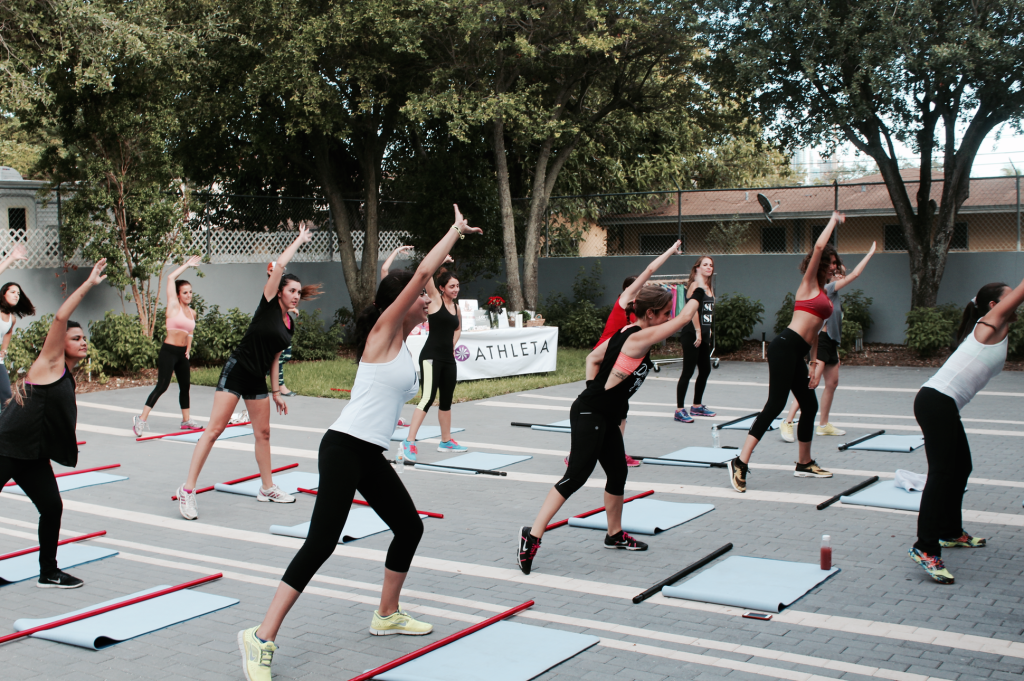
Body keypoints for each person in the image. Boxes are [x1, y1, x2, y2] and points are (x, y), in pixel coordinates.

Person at [237, 206, 482, 681]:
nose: (428, 299)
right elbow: (426, 272)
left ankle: (387, 614)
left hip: (368, 451)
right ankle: (261, 636)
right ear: (403, 301)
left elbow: (421, 282)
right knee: (321, 542)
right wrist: (453, 230)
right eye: (421, 296)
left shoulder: (408, 340)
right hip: (345, 446)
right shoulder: (384, 330)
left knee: (409, 528)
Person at [517, 285, 700, 575]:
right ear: (650, 314)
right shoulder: (637, 337)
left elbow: (592, 358)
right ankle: (532, 534)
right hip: (590, 414)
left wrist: (596, 391)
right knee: (575, 478)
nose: (668, 318)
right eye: (664, 313)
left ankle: (614, 534)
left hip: (602, 413)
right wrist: (698, 292)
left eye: (668, 313)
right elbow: (682, 320)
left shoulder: (624, 332)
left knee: (617, 473)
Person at [176, 226, 319, 520]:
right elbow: (279, 266)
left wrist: (277, 392)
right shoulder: (267, 304)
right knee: (214, 430)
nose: (295, 295)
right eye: (291, 290)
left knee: (263, 433)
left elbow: (275, 358)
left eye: (297, 292)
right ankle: (187, 490)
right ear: (279, 291)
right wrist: (299, 240)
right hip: (238, 370)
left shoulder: (289, 324)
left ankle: (267, 488)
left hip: (257, 378)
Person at [0, 259, 108, 589]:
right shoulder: (49, 363)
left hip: (31, 453)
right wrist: (89, 283)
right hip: (5, 445)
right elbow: (60, 317)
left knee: (52, 506)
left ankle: (48, 571)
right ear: (60, 343)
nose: (83, 341)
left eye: (83, 337)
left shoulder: (67, 376)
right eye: (75, 337)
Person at [909, 281, 1024, 585]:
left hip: (942, 403)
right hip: (936, 402)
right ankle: (925, 547)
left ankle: (950, 532)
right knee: (942, 473)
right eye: (1008, 296)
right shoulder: (990, 322)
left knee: (961, 467)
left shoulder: (997, 325)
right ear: (993, 307)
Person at [726, 212, 845, 493]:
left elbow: (816, 332)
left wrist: (814, 364)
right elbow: (818, 247)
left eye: (834, 264)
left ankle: (804, 463)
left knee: (810, 405)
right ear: (821, 264)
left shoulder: (826, 295)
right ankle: (740, 462)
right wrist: (832, 220)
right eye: (831, 263)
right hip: (784, 347)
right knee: (776, 405)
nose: (833, 268)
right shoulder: (808, 284)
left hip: (799, 352)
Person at [591, 240, 683, 468]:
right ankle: (582, 452)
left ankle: (615, 451)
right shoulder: (624, 302)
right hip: (605, 357)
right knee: (600, 408)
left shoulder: (643, 313)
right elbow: (650, 270)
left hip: (622, 359)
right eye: (638, 289)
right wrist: (671, 250)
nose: (641, 291)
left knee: (620, 408)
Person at [780, 243, 876, 442]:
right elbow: (855, 274)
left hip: (831, 341)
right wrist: (870, 254)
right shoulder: (828, 288)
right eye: (834, 268)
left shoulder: (833, 292)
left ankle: (823, 425)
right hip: (821, 341)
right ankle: (788, 422)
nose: (839, 272)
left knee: (832, 383)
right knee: (809, 384)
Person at [400, 259, 465, 461]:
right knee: (427, 398)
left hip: (448, 359)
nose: (456, 289)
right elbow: (425, 272)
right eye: (451, 286)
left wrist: (452, 345)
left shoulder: (456, 307)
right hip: (430, 358)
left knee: (446, 401)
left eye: (457, 286)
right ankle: (408, 441)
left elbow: (458, 328)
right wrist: (441, 261)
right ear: (441, 288)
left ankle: (446, 441)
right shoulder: (435, 301)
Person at [134, 255, 203, 435]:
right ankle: (140, 420)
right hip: (169, 352)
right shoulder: (173, 306)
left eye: (190, 292)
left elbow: (190, 333)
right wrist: (187, 264)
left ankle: (186, 420)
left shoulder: (192, 312)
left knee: (185, 386)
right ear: (178, 294)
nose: (188, 295)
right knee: (162, 385)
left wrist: (188, 349)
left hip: (181, 354)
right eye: (185, 292)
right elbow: (171, 278)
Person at [675, 255, 717, 423]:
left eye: (711, 265)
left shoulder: (709, 286)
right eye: (705, 264)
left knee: (705, 370)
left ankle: (697, 406)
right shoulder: (695, 285)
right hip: (692, 334)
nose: (709, 267)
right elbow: (692, 310)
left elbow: (707, 311)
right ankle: (679, 409)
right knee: (688, 371)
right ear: (698, 268)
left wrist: (709, 329)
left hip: (704, 334)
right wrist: (699, 331)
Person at [0, 245, 35, 409]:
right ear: (3, 293)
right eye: (12, 291)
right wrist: (11, 259)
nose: (16, 295)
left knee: (6, 397)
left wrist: (4, 350)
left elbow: (7, 333)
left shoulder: (11, 319)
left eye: (18, 293)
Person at [266, 262, 297, 397]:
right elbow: (273, 307)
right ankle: (280, 386)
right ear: (269, 273)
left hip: (283, 325)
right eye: (274, 271)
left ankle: (263, 376)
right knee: (276, 358)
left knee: (285, 356)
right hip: (274, 327)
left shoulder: (282, 288)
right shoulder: (270, 289)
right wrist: (291, 308)